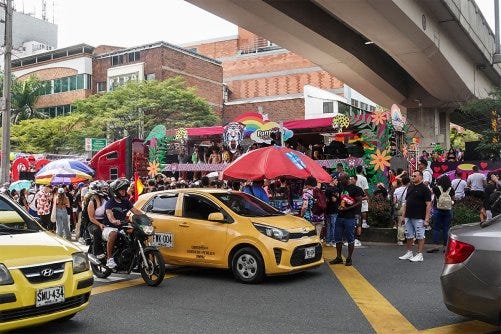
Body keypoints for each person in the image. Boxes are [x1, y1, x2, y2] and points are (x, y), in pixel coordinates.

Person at [104, 178, 143, 269]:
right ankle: (109, 259)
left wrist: (145, 217)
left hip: (121, 227)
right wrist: (114, 221)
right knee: (113, 234)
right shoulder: (110, 202)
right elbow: (109, 214)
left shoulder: (126, 201)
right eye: (121, 190)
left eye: (125, 190)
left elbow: (135, 210)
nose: (123, 191)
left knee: (135, 233)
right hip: (109, 227)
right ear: (116, 191)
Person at [329, 172, 364, 266]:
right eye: (339, 180)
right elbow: (340, 199)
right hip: (340, 216)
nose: (340, 181)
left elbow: (359, 202)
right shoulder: (341, 187)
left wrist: (347, 208)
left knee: (350, 238)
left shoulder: (356, 189)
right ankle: (339, 257)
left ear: (346, 179)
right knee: (338, 238)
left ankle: (349, 258)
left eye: (341, 180)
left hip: (350, 217)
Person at [398, 170, 432, 262]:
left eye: (415, 176)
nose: (412, 177)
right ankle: (409, 252)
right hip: (408, 215)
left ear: (421, 177)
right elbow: (406, 203)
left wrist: (426, 219)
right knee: (409, 235)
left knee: (420, 236)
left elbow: (428, 205)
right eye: (412, 176)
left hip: (419, 216)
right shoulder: (410, 187)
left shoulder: (425, 189)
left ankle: (419, 254)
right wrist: (403, 216)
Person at [427, 175, 455, 253]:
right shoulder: (451, 189)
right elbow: (453, 199)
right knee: (446, 229)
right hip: (448, 211)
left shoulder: (436, 188)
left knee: (436, 228)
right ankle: (445, 248)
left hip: (438, 210)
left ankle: (435, 246)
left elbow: (430, 192)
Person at [83, 181, 109, 256]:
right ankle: (97, 252)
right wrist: (100, 224)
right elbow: (91, 218)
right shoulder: (91, 202)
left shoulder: (106, 199)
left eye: (105, 189)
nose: (105, 190)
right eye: (103, 189)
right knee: (97, 231)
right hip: (93, 222)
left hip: (104, 221)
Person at [393, 176, 410, 245]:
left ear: (401, 182)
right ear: (408, 183)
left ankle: (400, 240)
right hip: (409, 206)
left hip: (400, 207)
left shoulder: (397, 190)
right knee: (410, 223)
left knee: (400, 223)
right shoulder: (410, 189)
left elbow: (394, 201)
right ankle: (411, 239)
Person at [324, 177, 339, 247]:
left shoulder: (327, 189)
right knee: (334, 226)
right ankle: (333, 241)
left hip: (327, 210)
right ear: (333, 180)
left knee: (328, 226)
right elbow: (334, 200)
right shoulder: (335, 189)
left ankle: (327, 241)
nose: (337, 182)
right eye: (336, 180)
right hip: (334, 210)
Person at [355, 166, 369, 230]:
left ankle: (356, 223)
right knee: (364, 209)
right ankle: (364, 223)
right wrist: (366, 196)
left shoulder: (353, 177)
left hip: (355, 195)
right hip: (362, 195)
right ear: (362, 171)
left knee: (356, 209)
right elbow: (366, 189)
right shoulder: (364, 178)